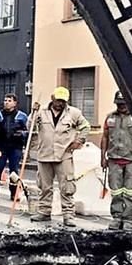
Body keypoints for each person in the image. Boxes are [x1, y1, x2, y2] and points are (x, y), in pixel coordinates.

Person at [29, 86, 90, 227]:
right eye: (58, 100)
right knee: (45, 186)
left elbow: (85, 126)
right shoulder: (41, 111)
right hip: (44, 154)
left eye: (63, 101)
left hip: (64, 155)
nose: (60, 103)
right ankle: (44, 211)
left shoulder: (74, 113)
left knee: (67, 187)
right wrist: (33, 113)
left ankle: (68, 215)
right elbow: (30, 127)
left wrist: (79, 140)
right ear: (52, 98)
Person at [101, 91, 132, 231]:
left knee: (130, 192)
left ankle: (128, 220)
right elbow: (105, 137)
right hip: (114, 159)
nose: (121, 106)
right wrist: (102, 157)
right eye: (119, 104)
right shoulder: (110, 118)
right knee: (116, 191)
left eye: (124, 104)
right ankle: (116, 218)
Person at [0, 93, 29, 201]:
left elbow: (28, 132)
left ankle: (14, 193)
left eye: (9, 100)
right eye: (5, 100)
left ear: (15, 103)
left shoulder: (22, 116)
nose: (6, 102)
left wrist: (21, 135)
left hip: (16, 147)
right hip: (2, 146)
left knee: (14, 171)